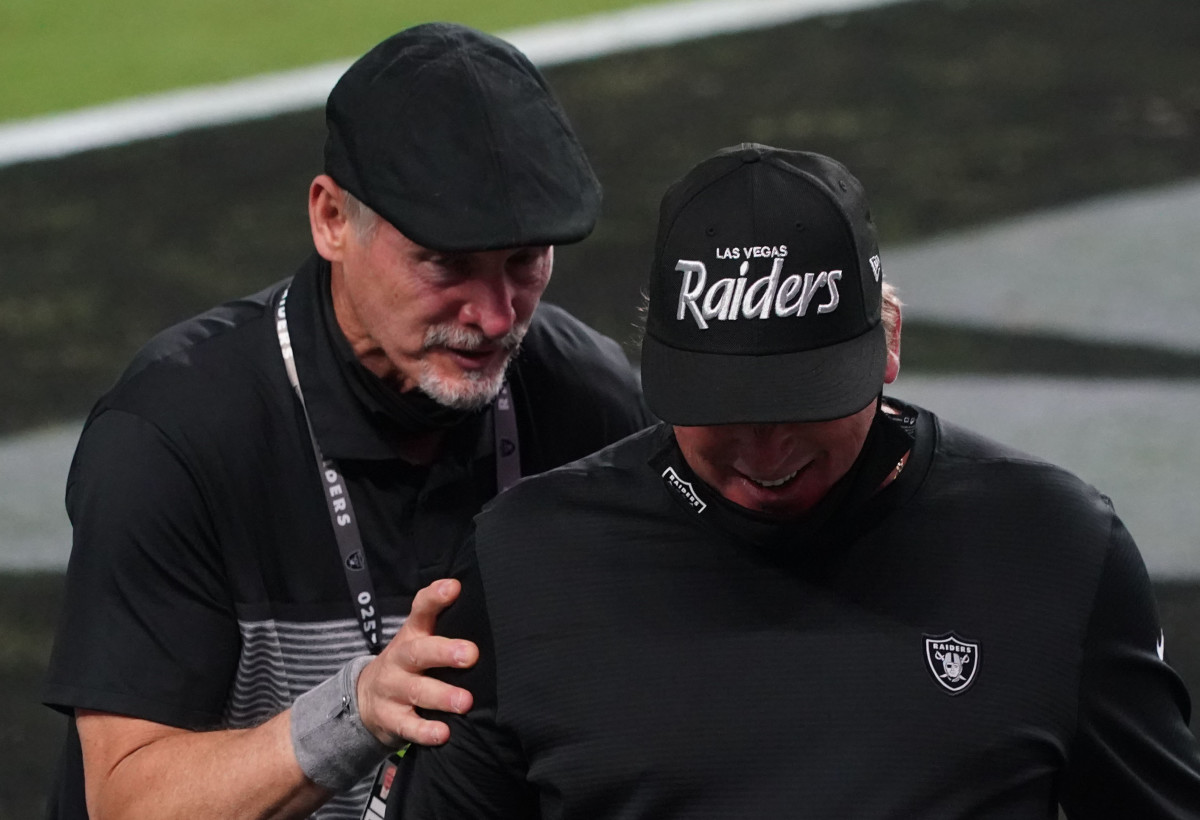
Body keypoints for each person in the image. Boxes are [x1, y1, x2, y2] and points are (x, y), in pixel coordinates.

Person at [394, 143, 1200, 818]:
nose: (765, 450)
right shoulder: (524, 563)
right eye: (723, 411)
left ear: (885, 344)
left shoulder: (1052, 548)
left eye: (801, 405)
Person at [42, 23, 652, 820]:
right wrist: (356, 711)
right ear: (331, 219)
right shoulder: (174, 437)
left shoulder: (591, 402)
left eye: (524, 262)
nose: (498, 316)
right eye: (448, 264)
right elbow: (128, 800)